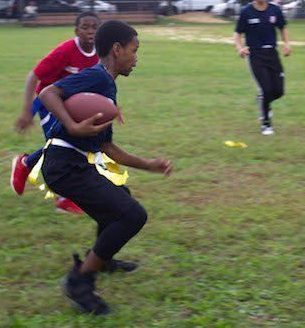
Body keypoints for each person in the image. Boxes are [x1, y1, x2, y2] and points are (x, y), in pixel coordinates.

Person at [38, 20, 173, 315]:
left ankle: (104, 259)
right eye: (134, 50)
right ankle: (80, 280)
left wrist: (149, 165)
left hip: (75, 163)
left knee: (119, 196)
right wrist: (72, 125)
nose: (136, 58)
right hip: (64, 166)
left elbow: (107, 148)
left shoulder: (106, 86)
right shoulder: (97, 78)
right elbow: (47, 93)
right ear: (117, 49)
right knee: (133, 215)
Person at [11, 11, 100, 214]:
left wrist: (111, 106)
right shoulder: (66, 50)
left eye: (94, 27)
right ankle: (63, 198)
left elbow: (101, 81)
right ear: (76, 31)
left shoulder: (100, 53)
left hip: (71, 103)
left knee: (76, 143)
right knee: (63, 143)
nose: (90, 31)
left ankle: (26, 163)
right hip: (46, 100)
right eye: (85, 27)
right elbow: (32, 77)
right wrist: (27, 111)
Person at [234, 0, 291, 135]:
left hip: (272, 54)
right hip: (255, 55)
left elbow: (283, 27)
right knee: (266, 89)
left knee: (278, 91)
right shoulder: (246, 11)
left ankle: (263, 100)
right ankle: (266, 124)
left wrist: (287, 44)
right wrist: (240, 48)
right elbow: (237, 34)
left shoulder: (275, 10)